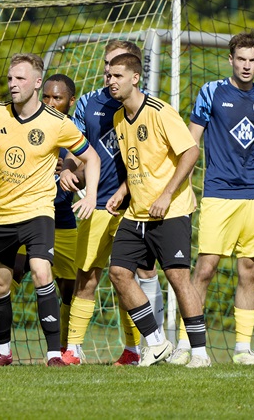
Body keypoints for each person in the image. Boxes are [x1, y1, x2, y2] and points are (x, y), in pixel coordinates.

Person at [0, 53, 101, 367]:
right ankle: (3, 351)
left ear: (36, 82)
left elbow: (91, 157)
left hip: (38, 212)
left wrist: (90, 196)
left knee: (41, 272)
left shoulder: (57, 123)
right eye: (10, 78)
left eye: (20, 78)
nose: (13, 84)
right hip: (0, 214)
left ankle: (54, 354)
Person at [170, 31, 254, 365]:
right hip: (218, 193)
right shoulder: (211, 92)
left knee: (249, 270)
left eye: (253, 60)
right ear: (230, 59)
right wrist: (183, 189)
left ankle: (243, 349)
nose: (247, 66)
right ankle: (186, 345)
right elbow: (191, 145)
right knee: (205, 268)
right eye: (241, 59)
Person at [104, 52, 210, 368]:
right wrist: (122, 192)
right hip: (136, 213)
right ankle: (157, 343)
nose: (111, 81)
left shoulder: (160, 112)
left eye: (118, 76)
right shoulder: (118, 118)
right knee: (118, 273)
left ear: (135, 78)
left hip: (171, 211)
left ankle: (200, 354)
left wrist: (166, 195)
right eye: (109, 75)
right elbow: (137, 163)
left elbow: (190, 152)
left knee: (178, 279)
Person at [58, 40, 160, 367]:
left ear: (133, 72)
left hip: (134, 207)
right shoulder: (89, 102)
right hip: (97, 205)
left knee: (127, 279)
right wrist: (68, 169)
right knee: (86, 276)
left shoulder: (145, 107)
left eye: (116, 67)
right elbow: (75, 147)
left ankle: (135, 349)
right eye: (106, 65)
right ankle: (74, 349)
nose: (109, 73)